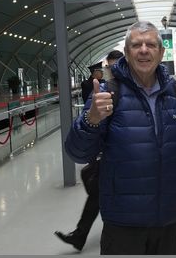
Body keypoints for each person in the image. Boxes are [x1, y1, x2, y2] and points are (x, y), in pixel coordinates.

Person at [65, 21, 176, 255]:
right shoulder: (107, 95)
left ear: (161, 52)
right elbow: (77, 153)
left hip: (170, 220)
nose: (144, 50)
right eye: (136, 45)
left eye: (150, 44)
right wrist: (91, 119)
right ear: (127, 52)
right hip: (123, 225)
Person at [55, 50, 124, 251]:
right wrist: (91, 118)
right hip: (103, 154)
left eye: (116, 66)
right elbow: (76, 147)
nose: (113, 71)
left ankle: (80, 234)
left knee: (96, 193)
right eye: (110, 67)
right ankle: (81, 233)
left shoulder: (126, 92)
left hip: (116, 159)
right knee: (94, 187)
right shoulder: (100, 90)